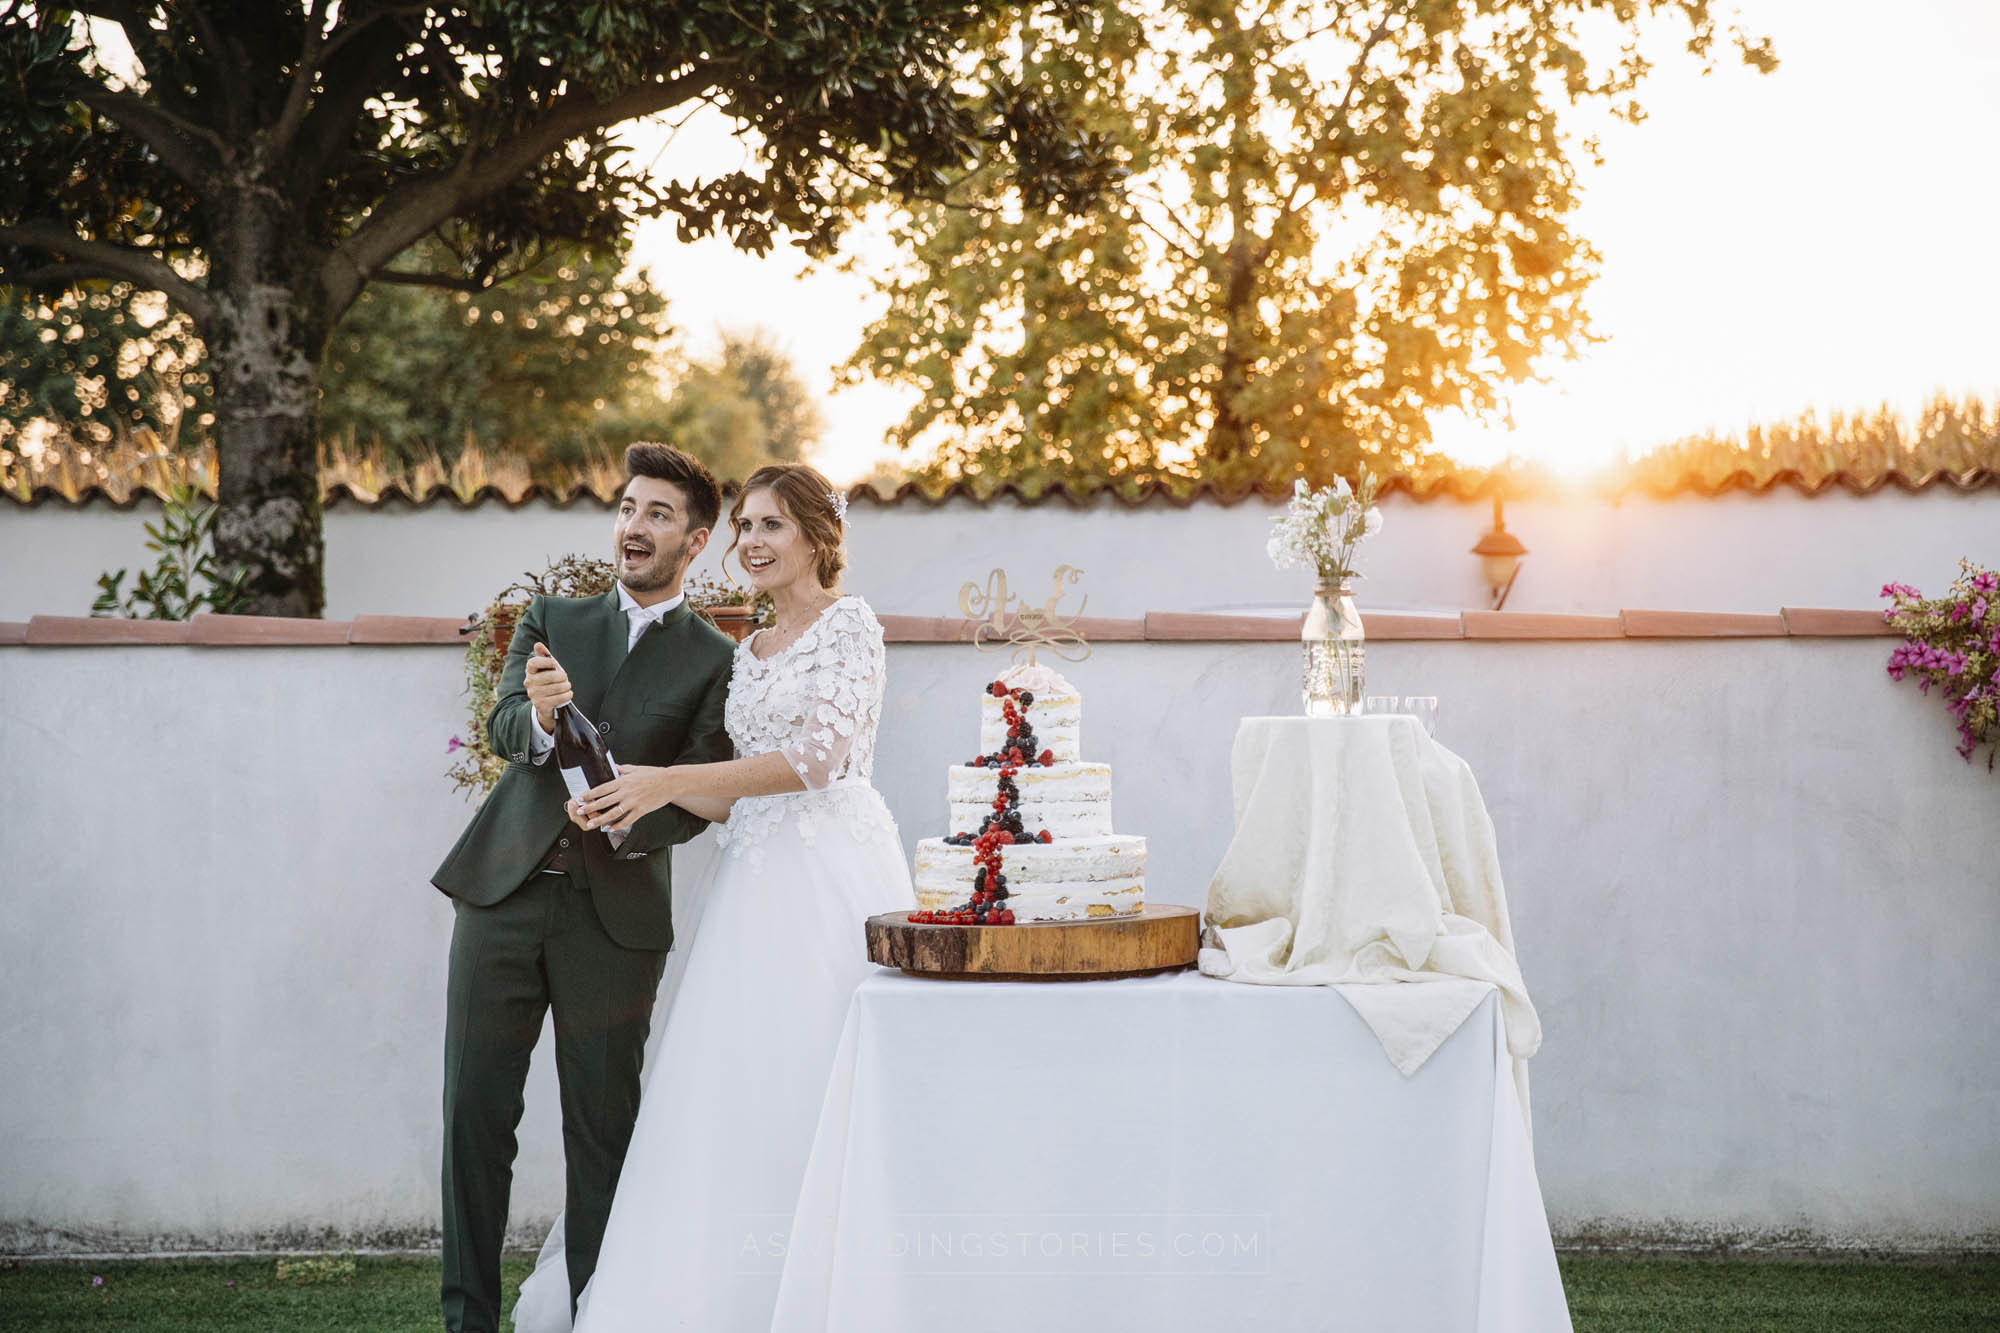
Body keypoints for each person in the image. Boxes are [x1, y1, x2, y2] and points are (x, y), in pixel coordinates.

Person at [511, 463, 914, 1333]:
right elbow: (726, 795)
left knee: (825, 1075)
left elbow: (818, 758)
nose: (752, 543)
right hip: (753, 887)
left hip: (834, 877)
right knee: (734, 1084)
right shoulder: (751, 649)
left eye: (771, 525)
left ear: (816, 535)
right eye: (744, 528)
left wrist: (664, 778)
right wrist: (624, 790)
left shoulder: (853, 628)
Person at [430, 444, 737, 1333]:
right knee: (472, 1117)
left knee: (603, 1137)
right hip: (503, 898)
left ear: (696, 538)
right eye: (629, 508)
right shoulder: (551, 616)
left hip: (616, 922)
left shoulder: (717, 658)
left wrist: (637, 816)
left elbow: (704, 787)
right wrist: (534, 712)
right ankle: (467, 1322)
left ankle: (600, 1316)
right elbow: (501, 727)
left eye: (658, 515)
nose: (634, 527)